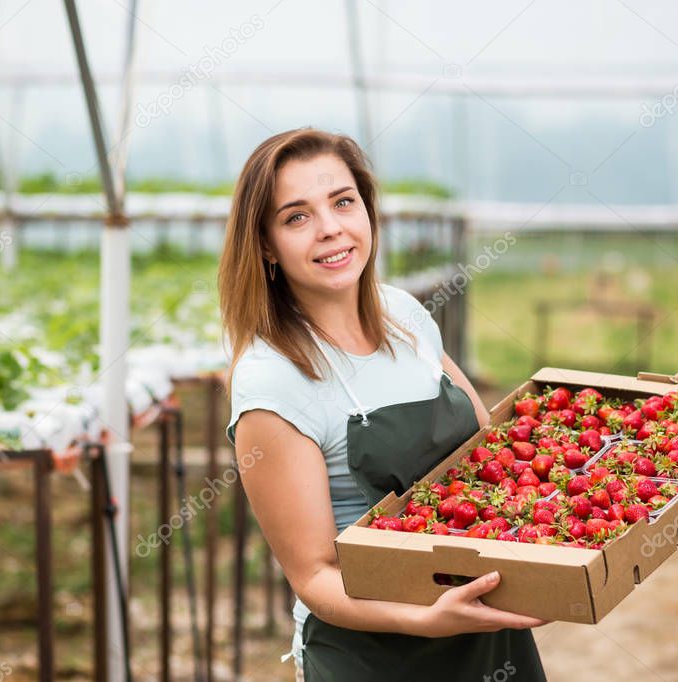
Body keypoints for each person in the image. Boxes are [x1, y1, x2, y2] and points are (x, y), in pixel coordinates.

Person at [220, 128, 548, 682]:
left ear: (367, 212)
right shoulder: (273, 383)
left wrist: (644, 424)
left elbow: (488, 448)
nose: (330, 228)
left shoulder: (404, 315)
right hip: (372, 654)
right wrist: (426, 619)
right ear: (266, 246)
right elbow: (316, 576)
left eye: (343, 202)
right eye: (296, 216)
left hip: (488, 628)